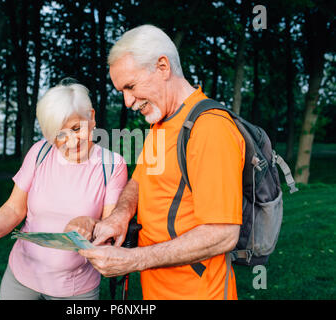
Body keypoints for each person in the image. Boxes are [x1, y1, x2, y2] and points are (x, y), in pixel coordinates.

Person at [79, 25, 245, 300]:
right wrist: (119, 216)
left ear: (163, 67)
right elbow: (138, 182)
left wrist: (133, 260)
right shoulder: (163, 123)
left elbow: (223, 233)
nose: (128, 101)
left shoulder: (210, 129)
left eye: (130, 86)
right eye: (122, 91)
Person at [0, 81, 127, 300]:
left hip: (75, 288)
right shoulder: (39, 152)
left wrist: (90, 223)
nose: (71, 141)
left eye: (77, 128)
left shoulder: (113, 165)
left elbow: (110, 230)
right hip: (21, 277)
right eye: (60, 134)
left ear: (92, 117)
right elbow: (14, 208)